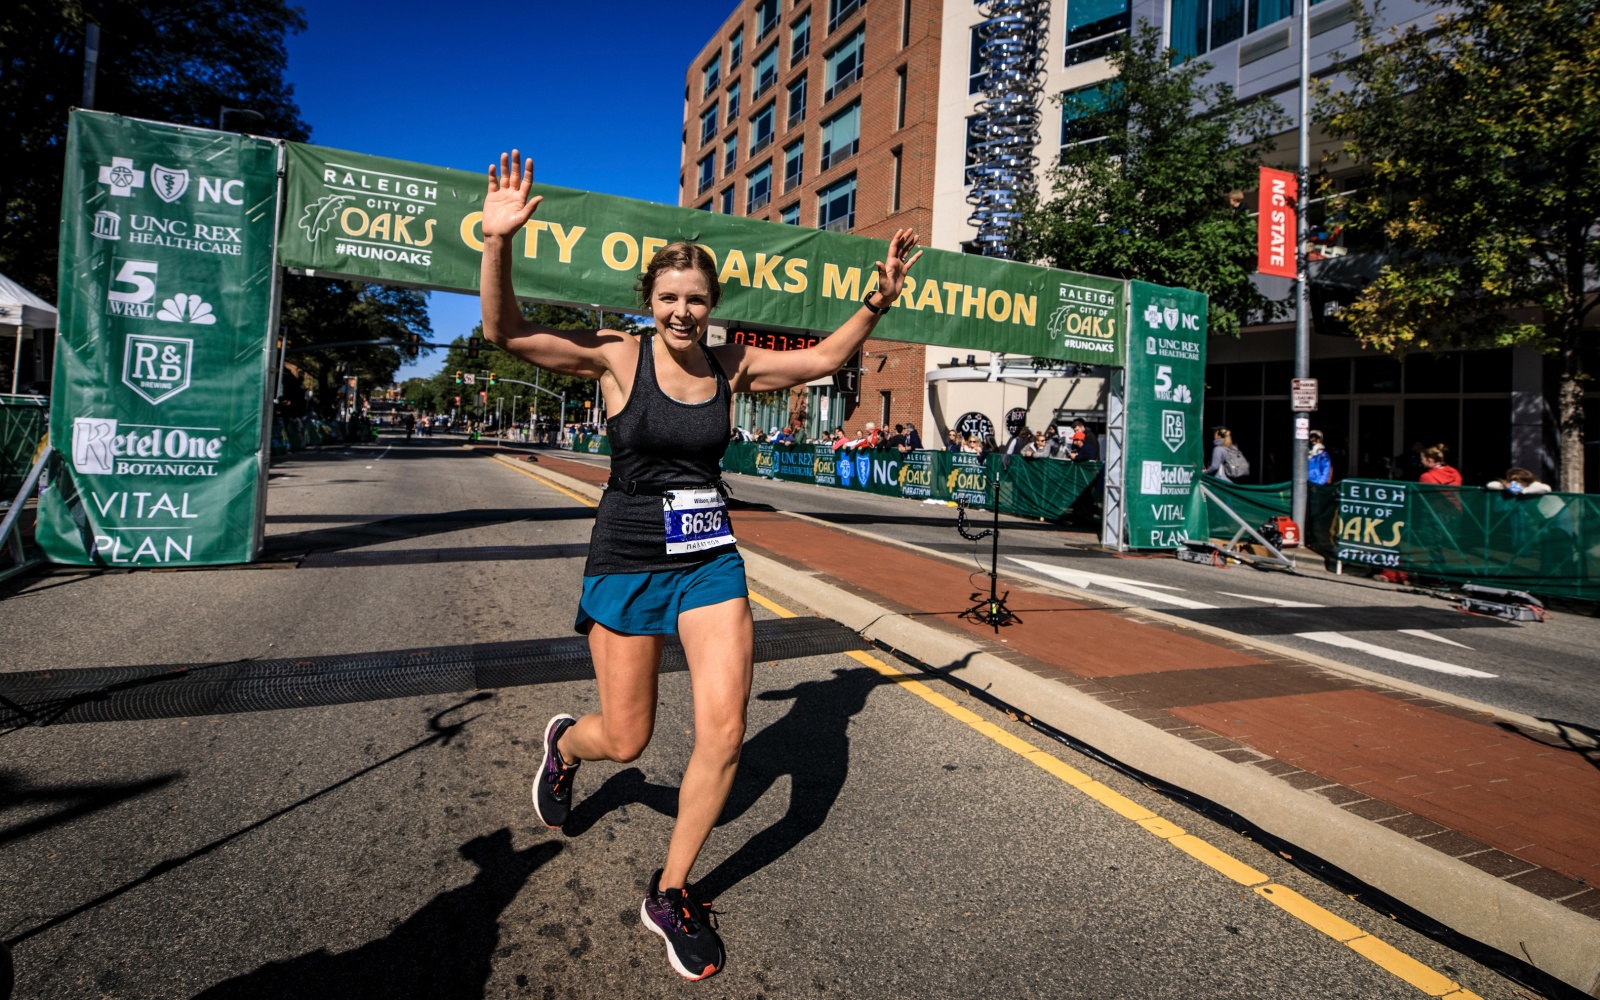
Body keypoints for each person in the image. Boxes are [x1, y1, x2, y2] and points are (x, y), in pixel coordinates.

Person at [479, 149, 922, 982]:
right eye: (670, 299)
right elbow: (504, 332)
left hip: (710, 559)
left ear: (713, 307)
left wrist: (876, 301)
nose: (683, 313)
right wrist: (497, 243)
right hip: (627, 556)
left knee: (725, 732)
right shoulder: (616, 357)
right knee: (630, 734)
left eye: (697, 301)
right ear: (649, 302)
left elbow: (824, 361)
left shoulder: (732, 366)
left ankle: (672, 890)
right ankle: (570, 748)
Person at [1487, 467, 1552, 495]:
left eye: (1517, 480)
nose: (1515, 483)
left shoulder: (1534, 484)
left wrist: (1520, 491)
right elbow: (1490, 485)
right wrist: (1504, 485)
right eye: (1512, 480)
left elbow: (1546, 488)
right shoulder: (1509, 485)